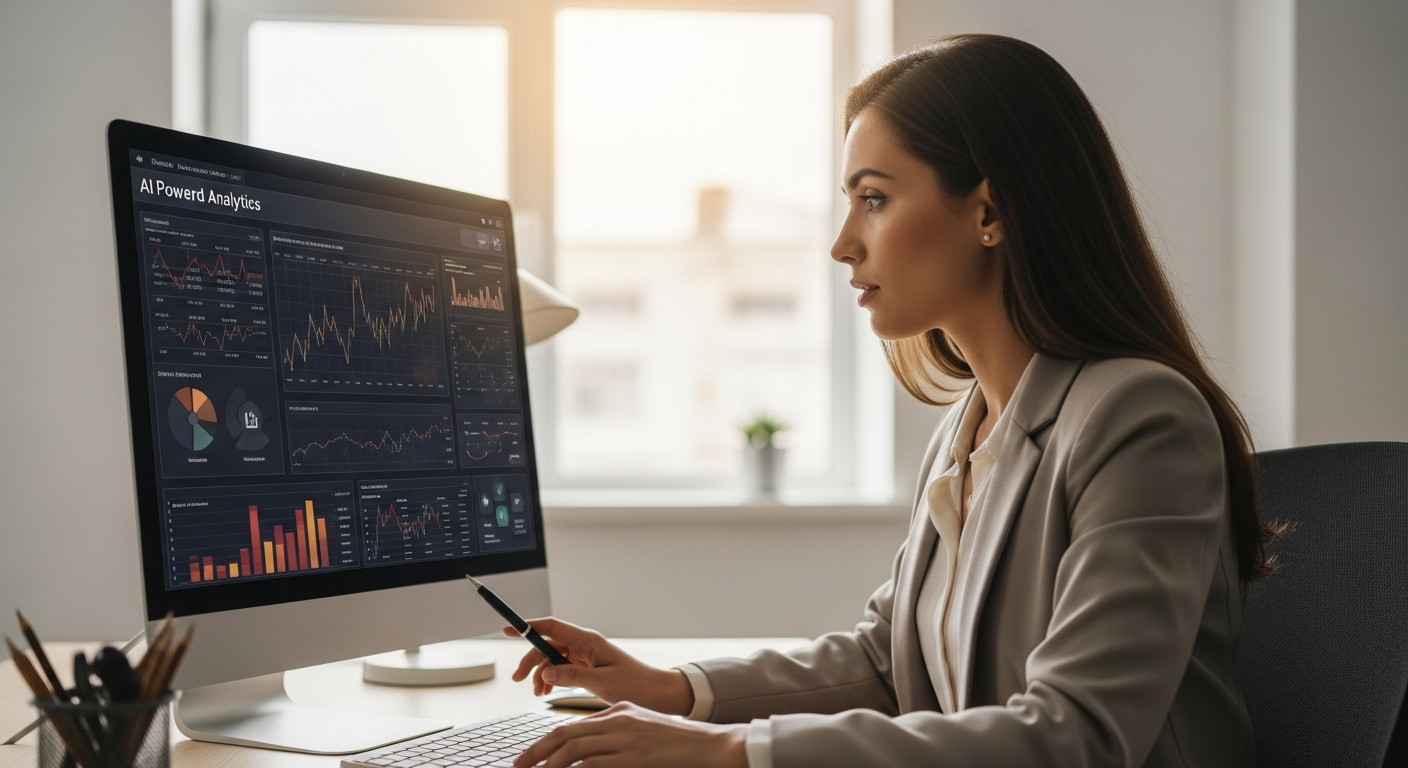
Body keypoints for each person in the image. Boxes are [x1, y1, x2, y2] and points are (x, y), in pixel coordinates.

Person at [508, 33, 1277, 768]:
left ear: (990, 212)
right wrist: (672, 690)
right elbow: (887, 661)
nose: (843, 242)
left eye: (873, 198)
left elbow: (1078, 735)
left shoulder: (1140, 416)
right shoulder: (966, 432)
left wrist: (730, 752)